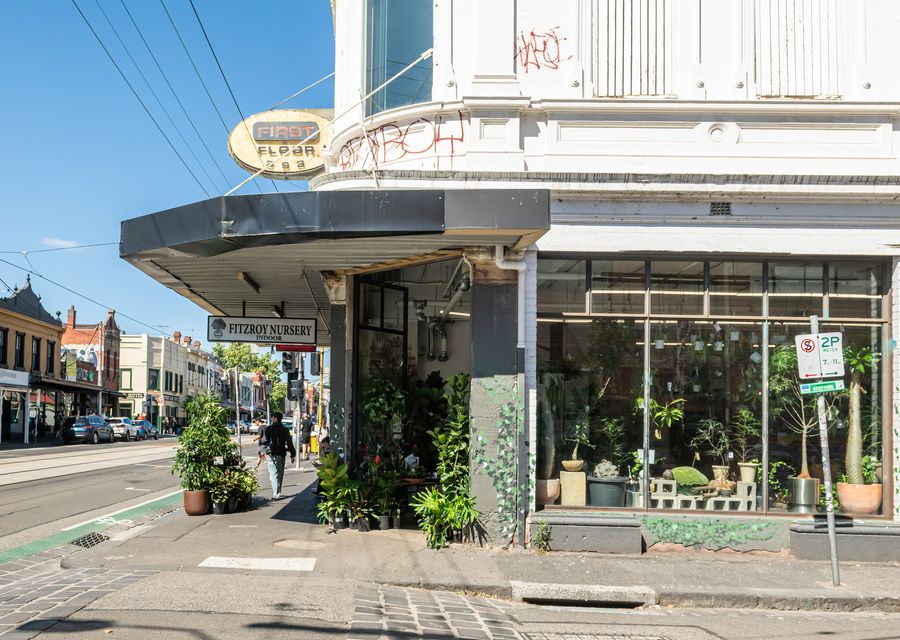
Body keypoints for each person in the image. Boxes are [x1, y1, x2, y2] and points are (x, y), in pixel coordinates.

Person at [261, 412, 295, 499]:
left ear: (275, 418)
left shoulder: (268, 429)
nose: (271, 419)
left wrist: (262, 451)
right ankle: (277, 492)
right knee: (280, 473)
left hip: (271, 454)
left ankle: (276, 493)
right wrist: (292, 455)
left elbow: (264, 442)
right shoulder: (285, 429)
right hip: (281, 453)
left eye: (272, 417)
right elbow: (290, 443)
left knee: (273, 473)